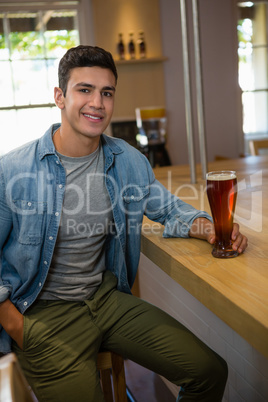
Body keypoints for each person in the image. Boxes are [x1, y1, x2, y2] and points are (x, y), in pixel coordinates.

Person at [0, 45, 248, 402]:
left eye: (106, 93)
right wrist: (16, 325)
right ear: (60, 96)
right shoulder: (14, 170)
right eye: (84, 90)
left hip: (106, 300)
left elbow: (169, 209)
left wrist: (209, 228)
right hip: (44, 317)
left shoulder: (127, 160)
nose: (97, 103)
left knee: (209, 372)